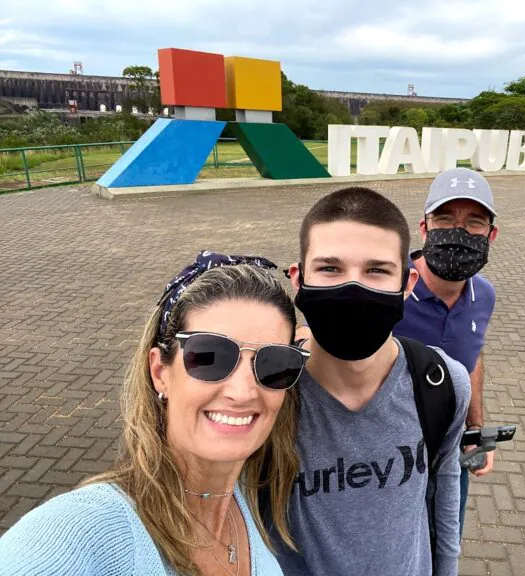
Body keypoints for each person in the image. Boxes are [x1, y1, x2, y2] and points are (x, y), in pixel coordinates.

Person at [0, 251, 310, 576]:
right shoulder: (82, 532)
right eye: (209, 357)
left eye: (274, 363)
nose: (244, 391)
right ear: (160, 372)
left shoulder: (247, 496)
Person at [275, 187, 470, 576]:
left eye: (377, 270)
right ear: (298, 279)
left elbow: (444, 508)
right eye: (329, 268)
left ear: (408, 283)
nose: (353, 288)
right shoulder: (267, 393)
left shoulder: (440, 384)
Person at [392, 168, 499, 536]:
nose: (458, 232)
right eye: (444, 218)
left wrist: (476, 430)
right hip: (386, 456)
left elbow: (472, 358)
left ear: (491, 234)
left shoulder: (483, 295)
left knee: (445, 537)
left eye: (474, 222)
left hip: (450, 450)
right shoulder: (385, 287)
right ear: (423, 228)